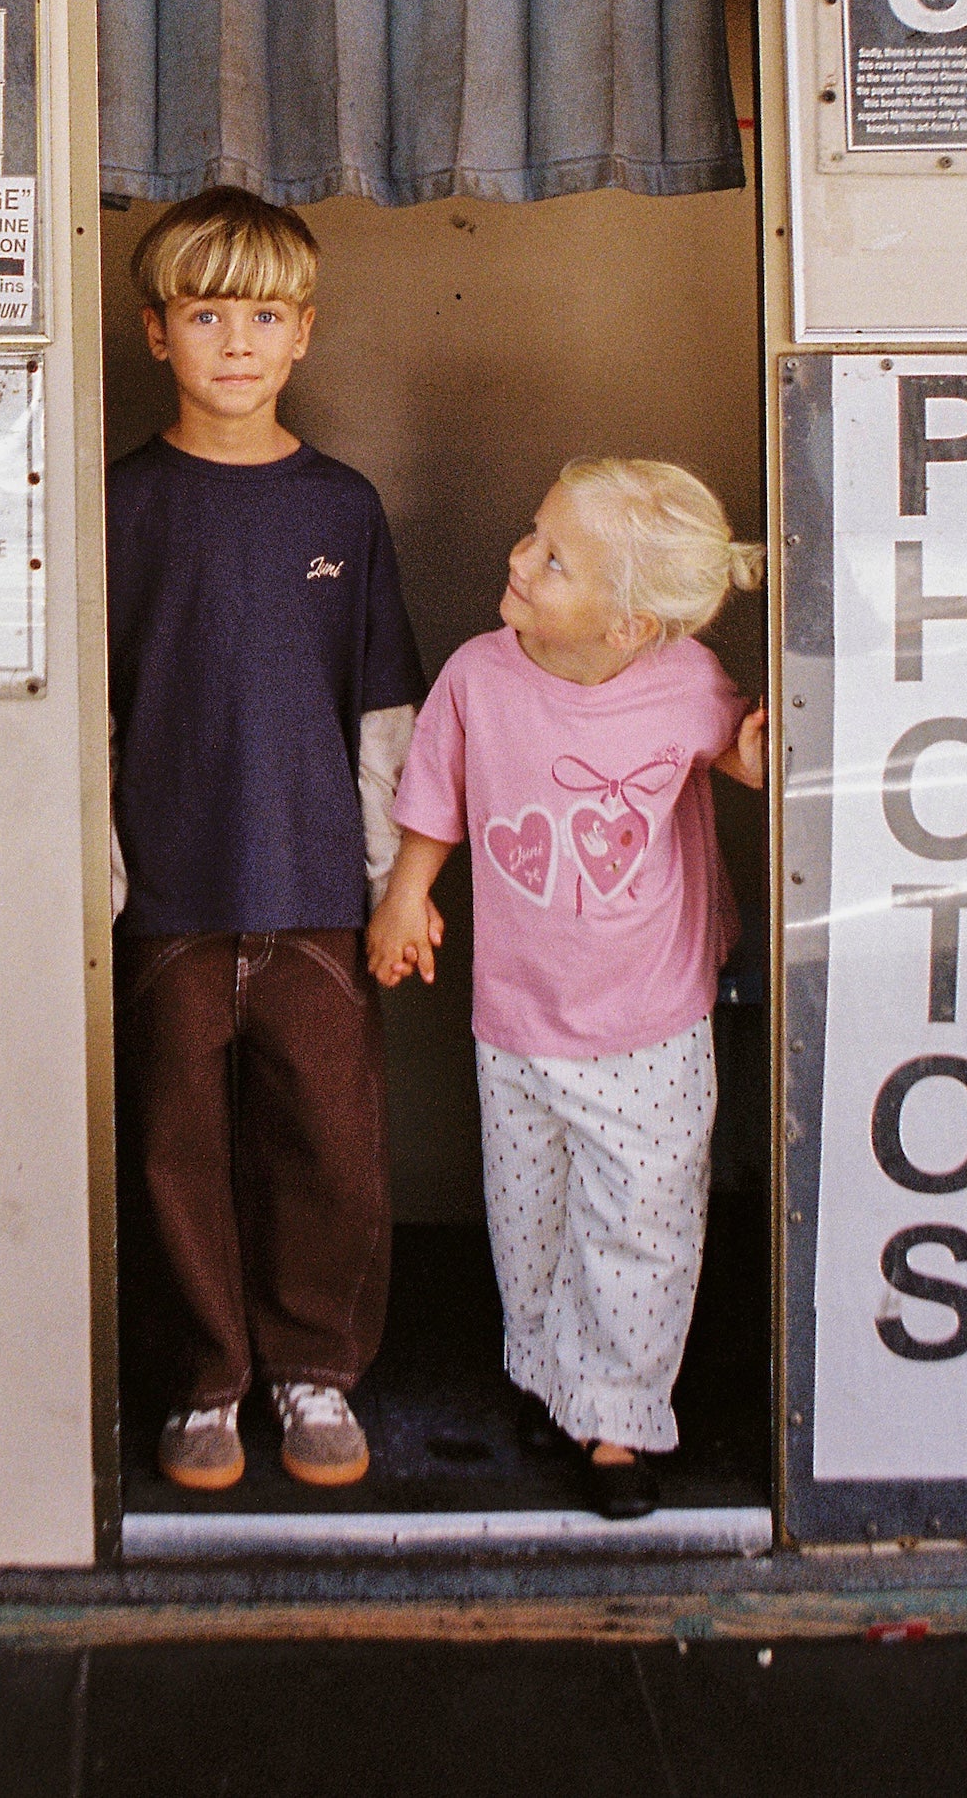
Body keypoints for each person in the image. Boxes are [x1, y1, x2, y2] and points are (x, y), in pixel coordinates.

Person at [372, 460, 767, 1522]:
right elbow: (433, 795)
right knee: (531, 1215)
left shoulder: (681, 682)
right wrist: (405, 896)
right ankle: (555, 1378)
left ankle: (618, 1421)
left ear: (631, 625)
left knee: (637, 1221)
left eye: (554, 558)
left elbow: (733, 751)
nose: (519, 556)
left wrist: (753, 755)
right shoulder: (475, 675)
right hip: (516, 1013)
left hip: (648, 1015)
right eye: (531, 532)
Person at [108, 187, 426, 1495]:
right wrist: (100, 874)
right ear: (153, 333)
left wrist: (391, 886)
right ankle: (205, 1383)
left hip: (314, 896)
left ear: (304, 335)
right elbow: (95, 707)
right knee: (173, 1146)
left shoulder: (341, 510)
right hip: (168, 892)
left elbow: (386, 713)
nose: (235, 342)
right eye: (205, 314)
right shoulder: (119, 505)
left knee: (330, 1150)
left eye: (265, 315)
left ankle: (315, 1372)